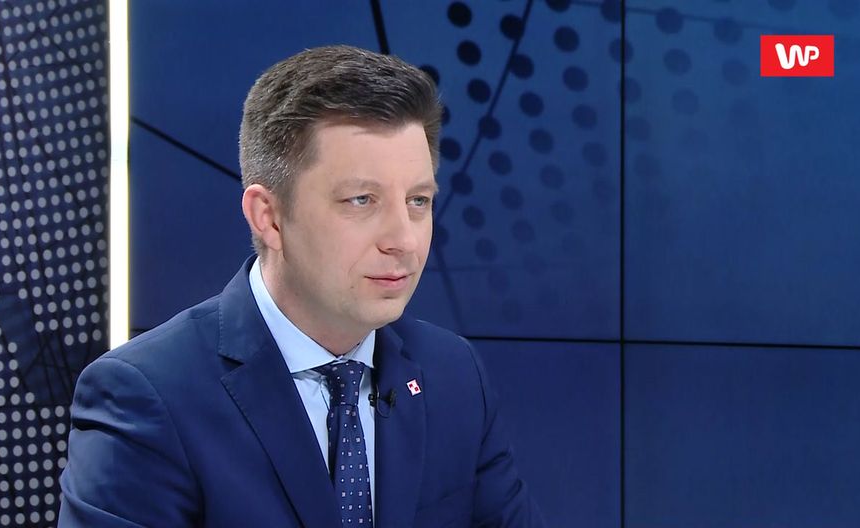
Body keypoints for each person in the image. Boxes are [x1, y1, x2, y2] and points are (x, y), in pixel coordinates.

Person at [59, 45, 545, 527]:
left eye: (418, 201)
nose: (404, 240)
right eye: (362, 200)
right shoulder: (147, 396)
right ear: (268, 217)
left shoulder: (454, 375)